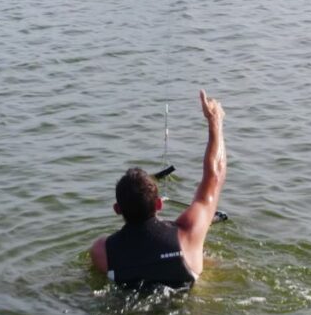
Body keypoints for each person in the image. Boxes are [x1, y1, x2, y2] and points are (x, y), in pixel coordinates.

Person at [90, 90, 226, 292]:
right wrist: (215, 121)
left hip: (131, 313)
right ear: (159, 204)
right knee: (208, 261)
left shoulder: (102, 250)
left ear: (117, 209)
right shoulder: (187, 234)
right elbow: (214, 177)